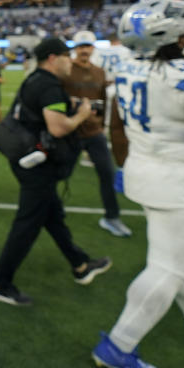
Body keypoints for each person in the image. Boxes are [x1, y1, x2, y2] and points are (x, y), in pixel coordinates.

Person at [92, 0, 184, 368]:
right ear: (174, 37)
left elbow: (116, 129)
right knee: (171, 266)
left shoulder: (129, 67)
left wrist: (128, 166)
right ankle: (118, 347)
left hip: (148, 175)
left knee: (176, 258)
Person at [0, 37, 113, 306]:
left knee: (53, 216)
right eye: (67, 55)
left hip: (28, 158)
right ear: (54, 58)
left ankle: (80, 265)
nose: (71, 60)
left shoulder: (36, 79)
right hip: (38, 166)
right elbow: (57, 127)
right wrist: (82, 114)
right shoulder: (49, 85)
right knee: (28, 223)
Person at [63, 31, 131, 237]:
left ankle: (112, 217)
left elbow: (102, 101)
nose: (84, 50)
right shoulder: (66, 70)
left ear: (93, 48)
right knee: (57, 175)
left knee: (107, 174)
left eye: (88, 46)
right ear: (75, 48)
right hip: (70, 131)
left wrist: (100, 124)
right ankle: (50, 212)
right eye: (81, 46)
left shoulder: (100, 72)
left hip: (93, 133)